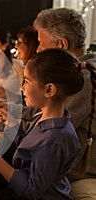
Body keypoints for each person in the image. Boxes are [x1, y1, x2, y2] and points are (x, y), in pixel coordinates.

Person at [0, 48, 84, 199]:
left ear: (49, 90)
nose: (22, 87)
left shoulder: (54, 140)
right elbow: (27, 147)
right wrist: (11, 125)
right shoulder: (43, 116)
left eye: (27, 82)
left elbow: (30, 190)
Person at [33, 8, 96, 194]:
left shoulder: (84, 78)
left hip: (82, 174)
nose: (37, 51)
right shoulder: (74, 72)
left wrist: (7, 118)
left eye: (40, 43)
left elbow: (48, 126)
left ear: (61, 44)